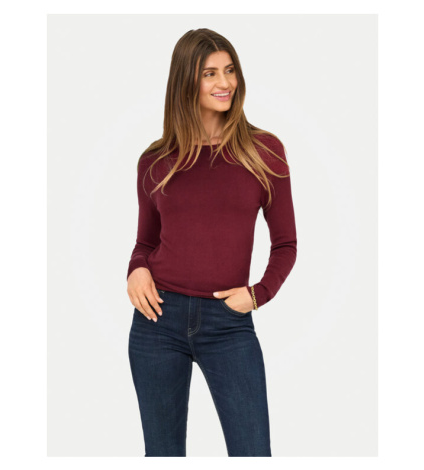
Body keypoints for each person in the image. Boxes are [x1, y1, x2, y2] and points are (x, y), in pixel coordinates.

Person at [126, 28, 297, 457]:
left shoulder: (264, 151)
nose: (225, 82)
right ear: (186, 81)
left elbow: (286, 243)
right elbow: (145, 241)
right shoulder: (156, 159)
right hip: (157, 320)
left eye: (230, 70)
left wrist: (258, 294)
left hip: (228, 324)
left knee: (253, 453)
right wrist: (136, 269)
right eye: (210, 73)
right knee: (162, 455)